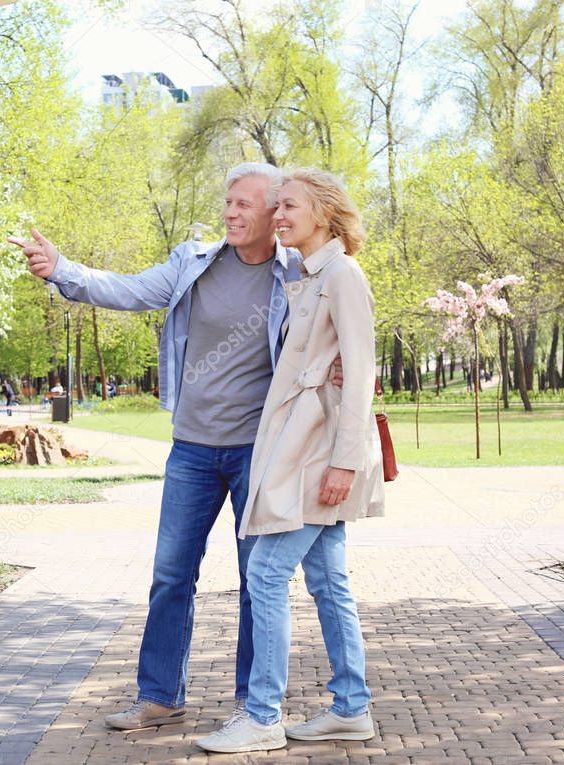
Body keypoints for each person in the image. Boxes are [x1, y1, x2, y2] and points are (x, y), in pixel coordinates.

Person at [8, 163, 343, 730]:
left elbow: (330, 335)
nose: (231, 213)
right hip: (191, 448)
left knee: (253, 580)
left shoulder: (300, 274)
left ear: (273, 214)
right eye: (228, 202)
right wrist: (62, 269)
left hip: (258, 453)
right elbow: (129, 289)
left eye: (245, 205)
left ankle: (250, 705)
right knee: (170, 573)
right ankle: (161, 695)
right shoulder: (195, 263)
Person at [197, 168, 385, 754]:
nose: (278, 217)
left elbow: (359, 377)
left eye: (289, 207)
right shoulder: (309, 276)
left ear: (323, 213)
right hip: (303, 449)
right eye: (275, 207)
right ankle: (351, 708)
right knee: (328, 581)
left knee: (266, 572)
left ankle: (262, 715)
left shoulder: (343, 276)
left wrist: (345, 463)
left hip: (319, 456)